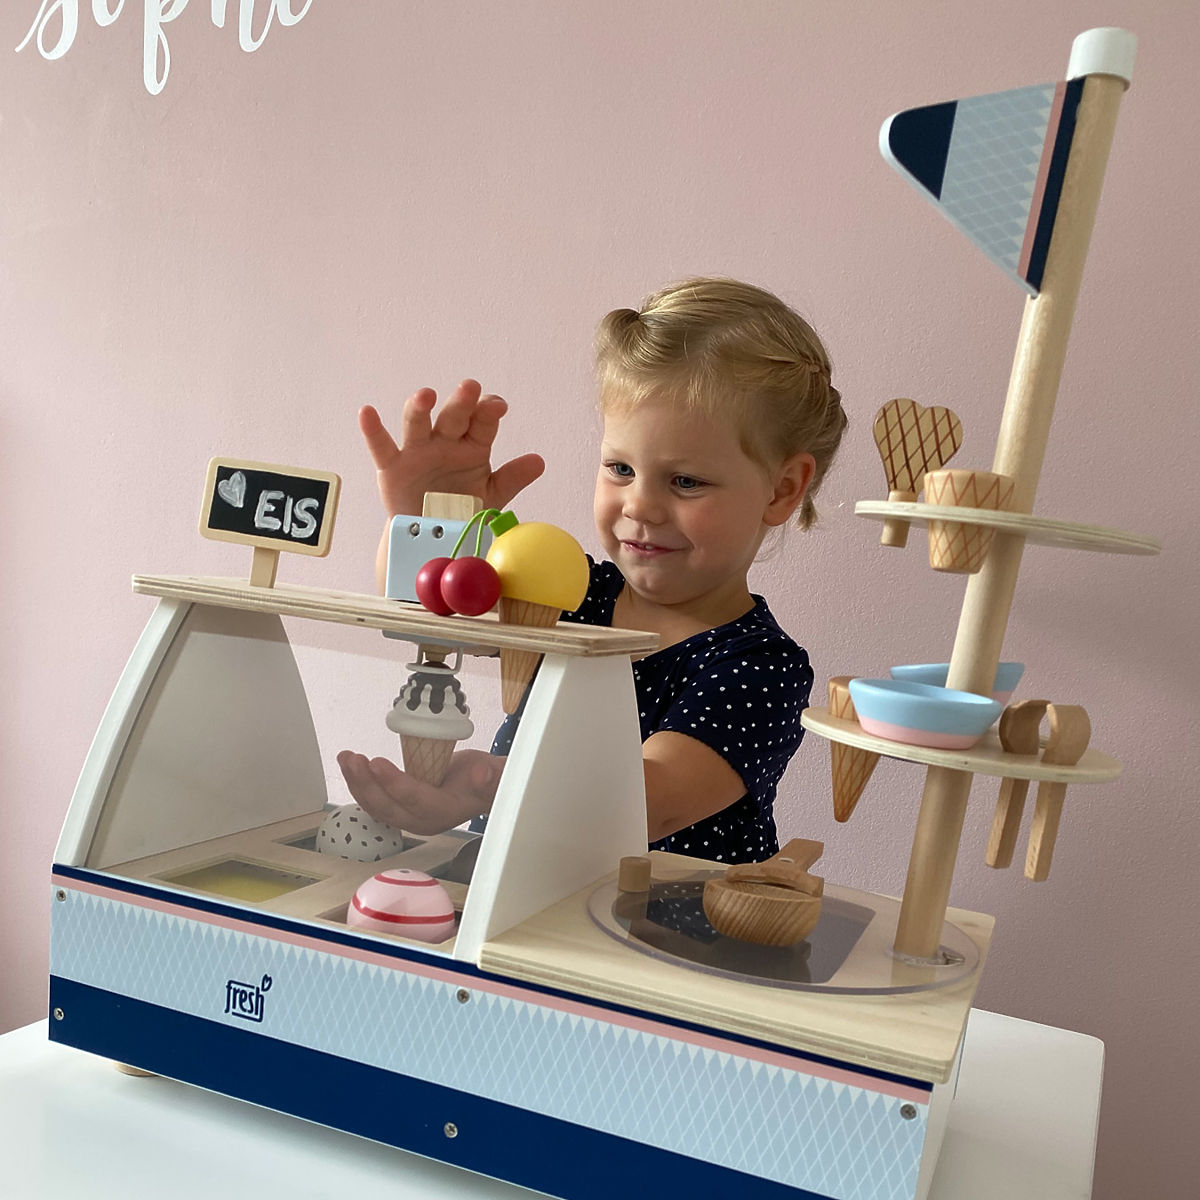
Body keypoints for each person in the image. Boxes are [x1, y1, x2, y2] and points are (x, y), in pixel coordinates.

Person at [337, 277, 847, 863]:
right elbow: (431, 611)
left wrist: (487, 783)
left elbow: (649, 799)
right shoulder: (566, 592)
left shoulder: (762, 667)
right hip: (517, 894)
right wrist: (427, 521)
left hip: (662, 917)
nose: (640, 507)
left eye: (686, 481)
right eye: (620, 469)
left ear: (782, 489)